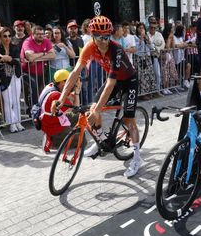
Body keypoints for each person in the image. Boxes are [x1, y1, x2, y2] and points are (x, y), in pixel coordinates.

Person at [51, 15, 142, 178]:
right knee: (93, 108)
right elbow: (74, 73)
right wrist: (61, 99)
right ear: (92, 35)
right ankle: (100, 141)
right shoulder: (89, 47)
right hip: (113, 81)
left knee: (129, 120)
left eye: (107, 36)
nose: (103, 40)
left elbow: (110, 84)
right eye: (99, 36)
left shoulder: (117, 50)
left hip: (129, 80)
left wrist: (97, 110)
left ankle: (137, 158)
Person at [0, 27, 24, 133]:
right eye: (4, 36)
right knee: (8, 101)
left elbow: (17, 60)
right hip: (3, 77)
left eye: (9, 36)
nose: (7, 38)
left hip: (15, 75)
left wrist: (8, 59)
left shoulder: (15, 47)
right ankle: (12, 124)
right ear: (0, 36)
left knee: (16, 100)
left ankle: (18, 122)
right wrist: (6, 58)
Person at [40, 69, 81, 153]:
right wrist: (77, 93)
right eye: (69, 81)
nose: (72, 83)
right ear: (62, 82)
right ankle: (53, 141)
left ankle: (65, 133)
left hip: (49, 120)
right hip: (53, 126)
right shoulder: (56, 95)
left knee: (79, 117)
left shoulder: (51, 86)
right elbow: (76, 109)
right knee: (82, 140)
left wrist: (70, 96)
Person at [20, 25, 56, 108]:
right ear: (33, 35)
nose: (41, 36)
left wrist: (36, 57)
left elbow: (53, 55)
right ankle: (33, 109)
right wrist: (44, 53)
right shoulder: (27, 42)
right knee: (33, 90)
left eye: (42, 34)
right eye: (38, 34)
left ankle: (41, 108)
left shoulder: (46, 41)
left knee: (43, 90)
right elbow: (30, 57)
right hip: (27, 71)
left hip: (41, 72)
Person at [173, 24, 191, 88]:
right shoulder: (173, 37)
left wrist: (185, 44)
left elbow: (183, 44)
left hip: (181, 58)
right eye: (183, 31)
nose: (184, 32)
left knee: (188, 65)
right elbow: (175, 46)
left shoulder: (181, 38)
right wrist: (183, 45)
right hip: (175, 58)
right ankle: (177, 85)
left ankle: (185, 80)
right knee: (177, 72)